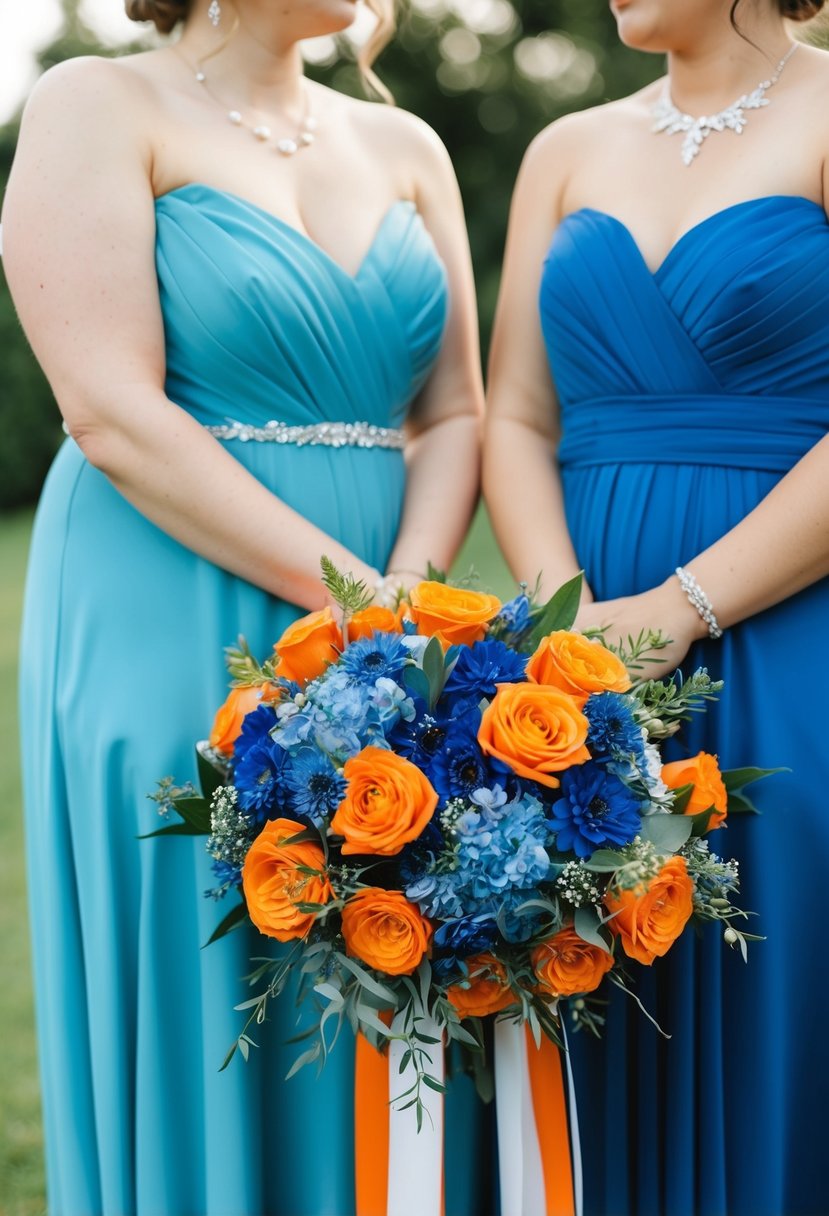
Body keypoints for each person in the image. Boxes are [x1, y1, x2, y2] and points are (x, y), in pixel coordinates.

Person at [2, 0, 486, 1209]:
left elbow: (457, 411)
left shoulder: (407, 145)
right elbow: (109, 408)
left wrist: (404, 602)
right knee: (211, 942)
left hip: (389, 605)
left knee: (407, 940)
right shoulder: (95, 107)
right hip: (170, 591)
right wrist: (354, 592)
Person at [484, 1, 829, 1213]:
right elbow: (516, 414)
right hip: (583, 657)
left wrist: (682, 607)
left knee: (785, 975)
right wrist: (564, 620)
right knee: (601, 990)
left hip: (792, 628)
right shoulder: (564, 148)